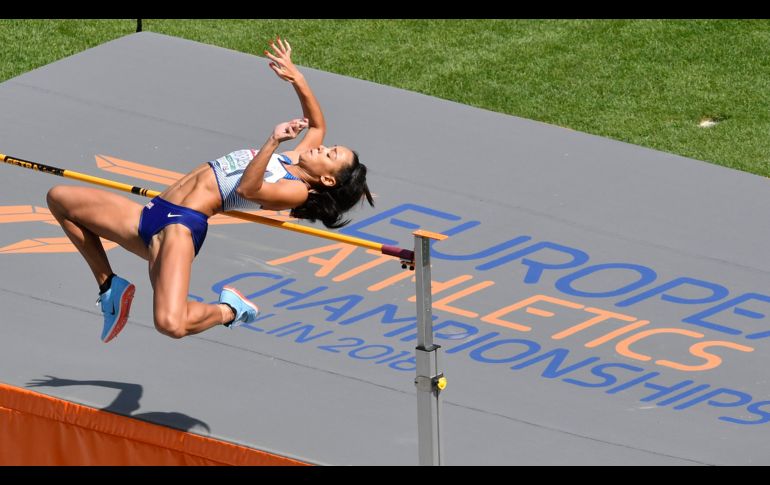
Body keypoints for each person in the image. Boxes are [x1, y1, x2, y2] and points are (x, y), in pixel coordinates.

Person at [45, 37, 374, 343]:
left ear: (327, 180)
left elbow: (249, 188)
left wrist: (273, 141)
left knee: (170, 324)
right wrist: (296, 77)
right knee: (60, 199)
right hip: (153, 212)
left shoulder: (296, 190)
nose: (323, 147)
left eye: (330, 155)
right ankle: (109, 286)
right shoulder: (296, 157)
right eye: (330, 147)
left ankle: (229, 309)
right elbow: (317, 124)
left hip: (180, 228)